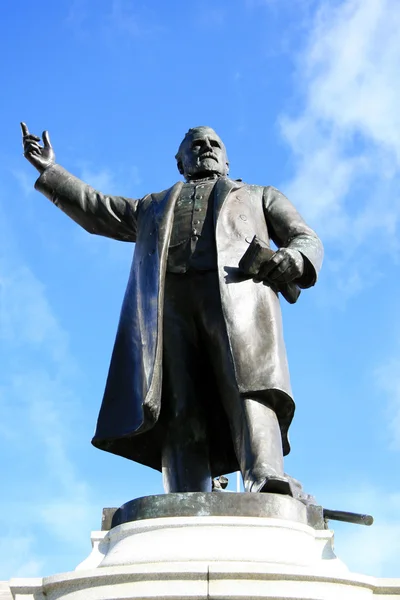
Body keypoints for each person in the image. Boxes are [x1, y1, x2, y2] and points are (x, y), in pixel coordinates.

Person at [21, 123, 323, 495]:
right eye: (195, 146)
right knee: (180, 400)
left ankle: (264, 474)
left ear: (227, 160)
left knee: (249, 384)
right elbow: (97, 208)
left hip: (236, 298)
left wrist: (296, 257)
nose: (206, 148)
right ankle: (186, 490)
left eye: (214, 144)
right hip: (170, 306)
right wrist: (51, 172)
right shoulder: (152, 206)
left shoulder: (260, 195)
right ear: (180, 162)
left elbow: (304, 237)